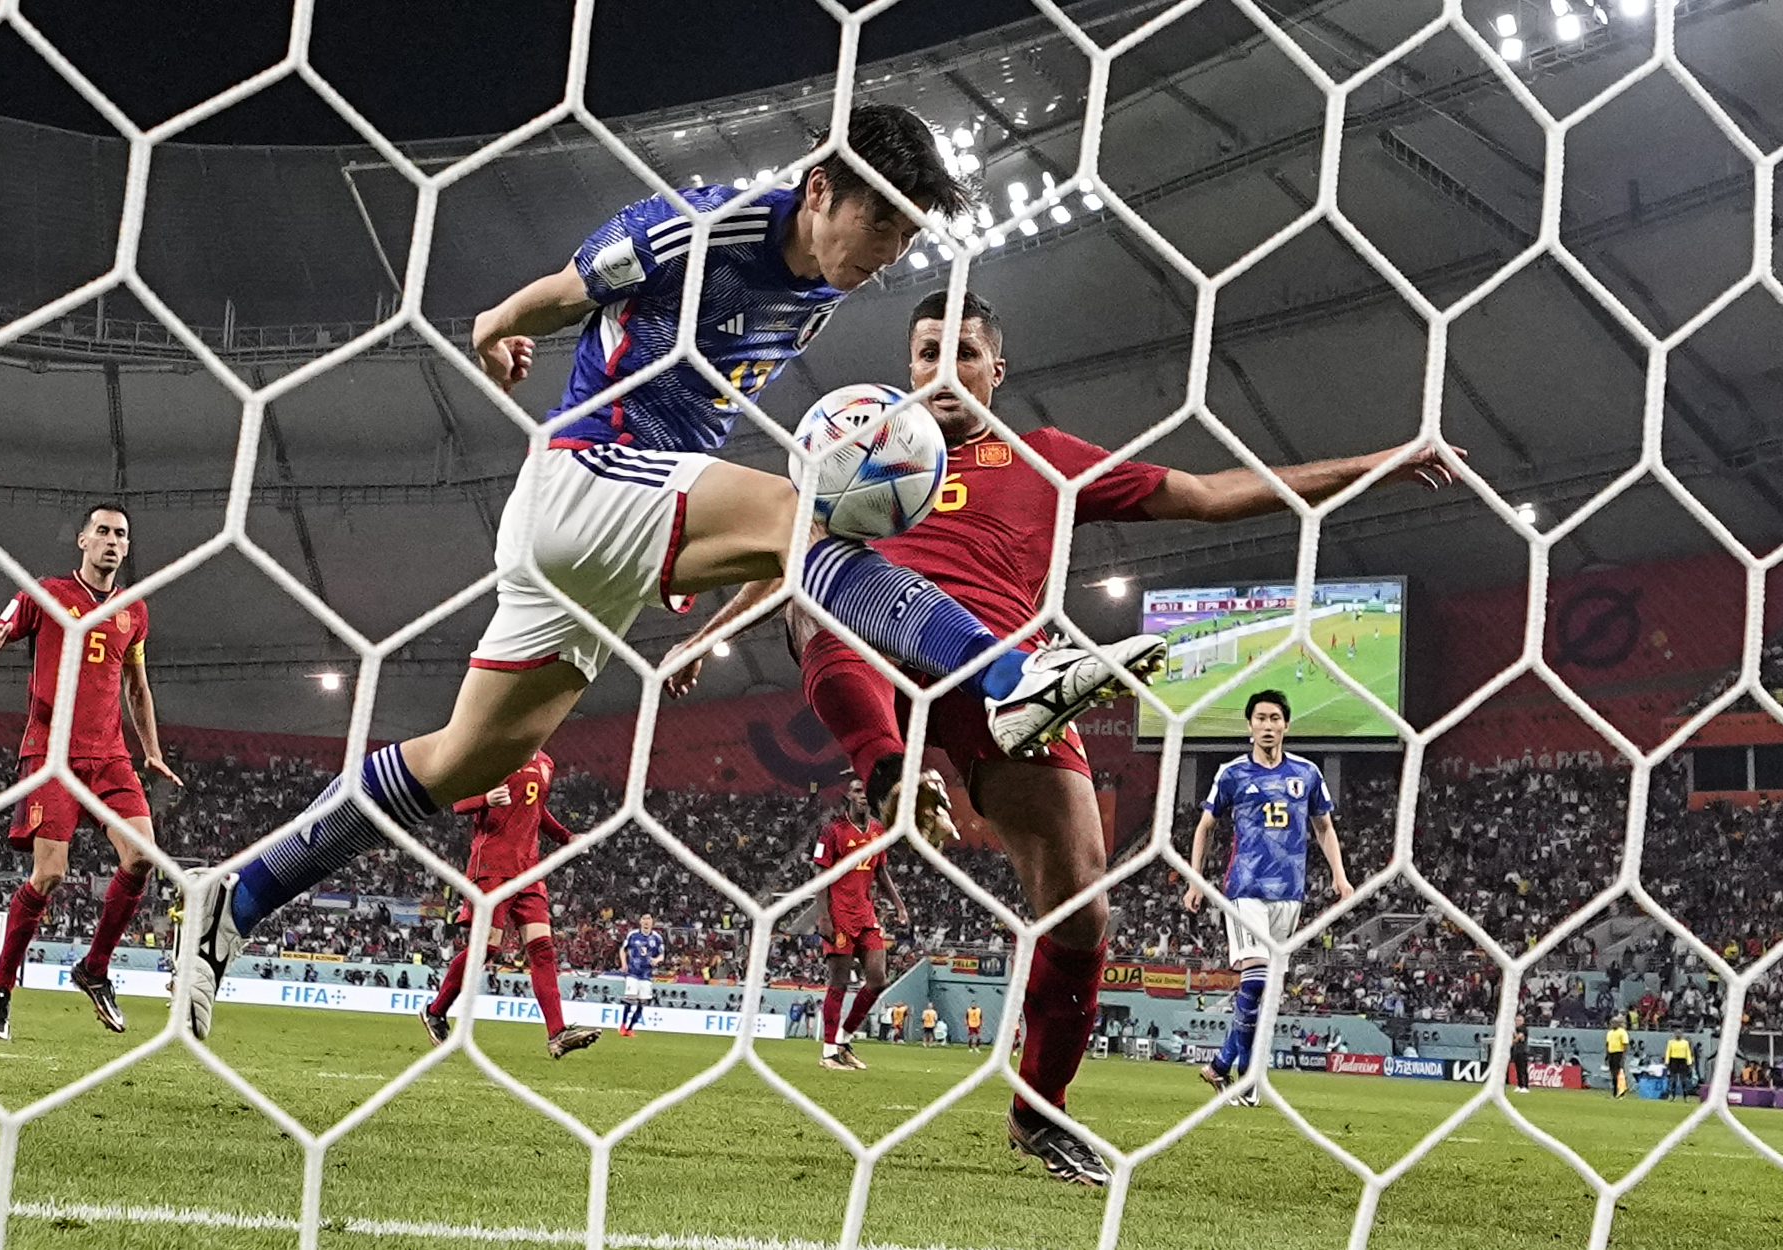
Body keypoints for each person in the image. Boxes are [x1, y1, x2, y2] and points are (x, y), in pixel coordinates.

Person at [184, 107, 1164, 1040]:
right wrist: (497, 323)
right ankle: (1008, 675)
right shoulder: (702, 224)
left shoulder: (822, 293)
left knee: (464, 760)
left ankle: (238, 896)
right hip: (586, 478)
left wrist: (688, 532)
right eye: (882, 226)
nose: (885, 258)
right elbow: (568, 288)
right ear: (822, 188)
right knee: (805, 515)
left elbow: (707, 398)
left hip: (611, 529)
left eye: (907, 241)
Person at [668, 291, 1454, 1185]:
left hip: (1009, 685)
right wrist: (703, 637)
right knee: (828, 605)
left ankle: (1039, 1110)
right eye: (925, 354)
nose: (941, 373)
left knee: (1080, 904)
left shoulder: (1046, 460)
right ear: (906, 363)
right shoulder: (864, 452)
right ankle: (887, 770)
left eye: (963, 354)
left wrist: (1384, 464)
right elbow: (796, 555)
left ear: (996, 370)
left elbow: (1205, 495)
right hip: (880, 641)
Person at [0, 505, 182, 1041]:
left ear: (127, 548)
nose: (111, 541)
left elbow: (137, 686)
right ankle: (0, 985)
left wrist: (151, 751)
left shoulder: (134, 611)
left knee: (142, 857)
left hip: (109, 755)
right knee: (51, 874)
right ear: (83, 540)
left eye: (121, 535)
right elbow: (3, 626)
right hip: (51, 754)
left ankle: (94, 968)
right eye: (103, 531)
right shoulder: (48, 593)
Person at [1184, 690, 1352, 1109]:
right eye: (1260, 717)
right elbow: (1204, 827)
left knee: (1265, 992)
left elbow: (1324, 828)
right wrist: (1194, 881)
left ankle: (1234, 1070)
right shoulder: (1232, 773)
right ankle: (1235, 1071)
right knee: (1255, 979)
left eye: (1275, 717)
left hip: (1289, 895)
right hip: (1244, 889)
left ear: (1286, 726)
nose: (1268, 725)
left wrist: (1340, 875)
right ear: (1249, 725)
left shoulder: (1308, 773)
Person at [419, 751, 596, 1058]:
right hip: (491, 867)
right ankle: (436, 1011)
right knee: (487, 948)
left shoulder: (546, 762)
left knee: (543, 949)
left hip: (529, 870)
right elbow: (460, 803)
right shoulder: (495, 752)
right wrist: (485, 799)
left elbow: (537, 810)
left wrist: (566, 838)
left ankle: (557, 1034)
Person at [815, 779, 907, 1071]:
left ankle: (843, 1040)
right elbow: (821, 875)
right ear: (848, 795)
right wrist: (823, 916)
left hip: (866, 915)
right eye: (857, 791)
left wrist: (899, 904)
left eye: (867, 791)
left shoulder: (879, 831)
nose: (863, 796)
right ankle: (828, 1052)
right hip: (839, 914)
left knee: (878, 980)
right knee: (839, 982)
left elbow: (880, 871)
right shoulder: (832, 831)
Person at [617, 914, 665, 1037]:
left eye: (649, 919)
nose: (646, 922)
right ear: (640, 922)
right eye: (644, 919)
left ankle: (630, 1029)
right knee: (630, 998)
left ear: (652, 922)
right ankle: (622, 1025)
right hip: (633, 971)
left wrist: (656, 960)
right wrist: (624, 964)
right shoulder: (632, 935)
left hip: (646, 974)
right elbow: (623, 949)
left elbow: (662, 955)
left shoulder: (657, 938)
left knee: (642, 1002)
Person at [1664, 1029, 1695, 1100]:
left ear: (1682, 1034)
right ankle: (1672, 1095)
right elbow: (1668, 1052)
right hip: (1673, 1061)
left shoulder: (1685, 1043)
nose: (1678, 1035)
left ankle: (1686, 1096)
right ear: (1674, 1034)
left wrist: (1689, 1063)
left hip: (1682, 1061)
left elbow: (1687, 1053)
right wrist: (1667, 1062)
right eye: (1676, 1033)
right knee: (1673, 1079)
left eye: (1679, 1033)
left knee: (1684, 1079)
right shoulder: (1671, 1042)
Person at [1605, 1016, 1630, 1098]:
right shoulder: (1610, 1033)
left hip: (1618, 1053)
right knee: (1613, 1073)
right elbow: (1607, 1044)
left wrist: (1623, 1054)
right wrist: (1607, 1054)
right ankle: (1615, 1091)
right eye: (1612, 1023)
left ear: (1618, 1024)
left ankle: (1620, 1091)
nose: (1613, 1024)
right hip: (1611, 1053)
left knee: (1618, 1072)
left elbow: (1625, 1043)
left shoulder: (1622, 1032)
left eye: (1615, 1023)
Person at [1509, 1014, 1532, 1094]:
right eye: (1516, 1020)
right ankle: (1519, 1085)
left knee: (1523, 1069)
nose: (1517, 1022)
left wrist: (1514, 1034)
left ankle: (1525, 1086)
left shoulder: (1523, 1028)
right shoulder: (1517, 1028)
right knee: (1518, 1069)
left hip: (1523, 1051)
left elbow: (1518, 1038)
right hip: (1517, 1051)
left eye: (1519, 1020)